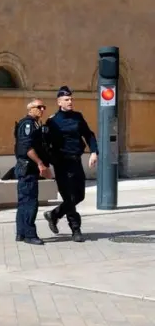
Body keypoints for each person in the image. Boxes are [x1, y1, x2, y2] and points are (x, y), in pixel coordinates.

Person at [43, 86, 98, 242]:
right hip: (61, 163)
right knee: (69, 196)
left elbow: (89, 135)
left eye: (71, 99)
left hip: (75, 161)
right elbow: (46, 144)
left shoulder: (77, 117)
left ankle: (54, 214)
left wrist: (94, 152)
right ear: (59, 102)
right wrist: (47, 163)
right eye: (66, 99)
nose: (70, 101)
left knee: (79, 195)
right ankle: (76, 230)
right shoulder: (52, 121)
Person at [14, 99, 53, 245]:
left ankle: (21, 233)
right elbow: (27, 147)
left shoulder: (36, 124)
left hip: (27, 168)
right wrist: (40, 163)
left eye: (44, 107)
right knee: (30, 202)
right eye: (39, 107)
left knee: (24, 202)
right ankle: (29, 234)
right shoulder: (28, 123)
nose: (42, 109)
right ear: (30, 109)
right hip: (27, 167)